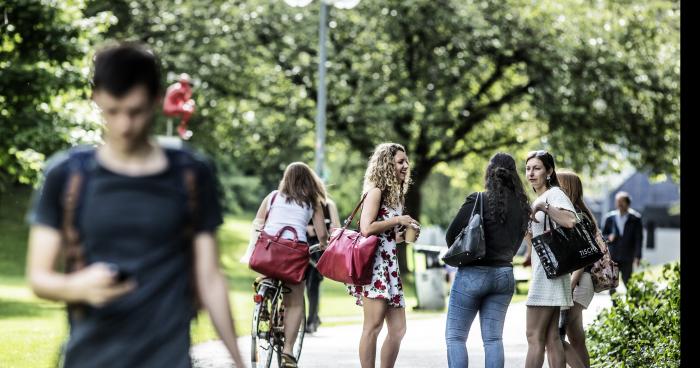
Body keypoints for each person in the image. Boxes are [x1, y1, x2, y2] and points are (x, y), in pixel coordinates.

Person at [25, 43, 245, 368]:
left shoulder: (190, 174)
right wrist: (77, 287)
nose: (124, 126)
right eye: (112, 111)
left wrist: (239, 362)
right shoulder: (67, 175)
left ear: (157, 100)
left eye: (136, 111)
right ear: (95, 97)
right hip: (90, 358)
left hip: (167, 358)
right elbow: (39, 278)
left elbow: (210, 277)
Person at [444, 153, 531, 368]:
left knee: (456, 337)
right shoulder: (523, 207)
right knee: (493, 340)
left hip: (473, 274)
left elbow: (451, 235)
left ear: (489, 172)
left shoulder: (479, 199)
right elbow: (518, 241)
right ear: (514, 175)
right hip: (504, 274)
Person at [346, 142, 419, 368]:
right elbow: (366, 228)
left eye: (406, 161)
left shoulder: (396, 197)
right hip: (375, 267)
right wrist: (398, 220)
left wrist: (409, 233)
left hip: (390, 266)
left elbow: (393, 238)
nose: (406, 165)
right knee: (373, 326)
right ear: (387, 164)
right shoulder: (376, 191)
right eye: (400, 161)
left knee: (398, 330)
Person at [253, 162, 329, 368]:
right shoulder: (312, 202)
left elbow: (258, 224)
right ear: (308, 180)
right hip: (293, 258)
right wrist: (323, 245)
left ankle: (265, 297)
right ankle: (287, 351)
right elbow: (322, 235)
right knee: (295, 302)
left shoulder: (273, 197)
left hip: (269, 255)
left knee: (269, 273)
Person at [522, 150, 578, 368]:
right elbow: (533, 243)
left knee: (533, 337)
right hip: (549, 271)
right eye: (528, 168)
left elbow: (571, 221)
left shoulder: (553, 195)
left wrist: (543, 207)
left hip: (548, 275)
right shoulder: (539, 198)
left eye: (536, 168)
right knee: (551, 338)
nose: (531, 173)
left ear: (549, 171)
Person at [555, 171, 609, 368]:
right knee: (576, 337)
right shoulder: (574, 212)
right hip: (578, 280)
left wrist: (571, 283)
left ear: (567, 187)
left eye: (558, 184)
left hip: (579, 280)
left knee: (560, 333)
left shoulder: (578, 216)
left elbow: (584, 255)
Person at [304, 196, 340, 333]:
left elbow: (335, 227)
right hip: (302, 246)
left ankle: (312, 320)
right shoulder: (303, 202)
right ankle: (308, 318)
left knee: (313, 286)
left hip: (318, 248)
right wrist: (307, 228)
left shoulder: (328, 205)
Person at [601, 191, 643, 295]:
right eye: (617, 201)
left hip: (628, 256)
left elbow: (639, 239)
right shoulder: (610, 218)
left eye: (622, 201)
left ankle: (634, 305)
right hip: (613, 256)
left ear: (628, 203)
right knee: (612, 283)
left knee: (628, 282)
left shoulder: (635, 218)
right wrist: (609, 237)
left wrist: (638, 256)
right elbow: (602, 237)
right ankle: (616, 307)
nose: (619, 204)